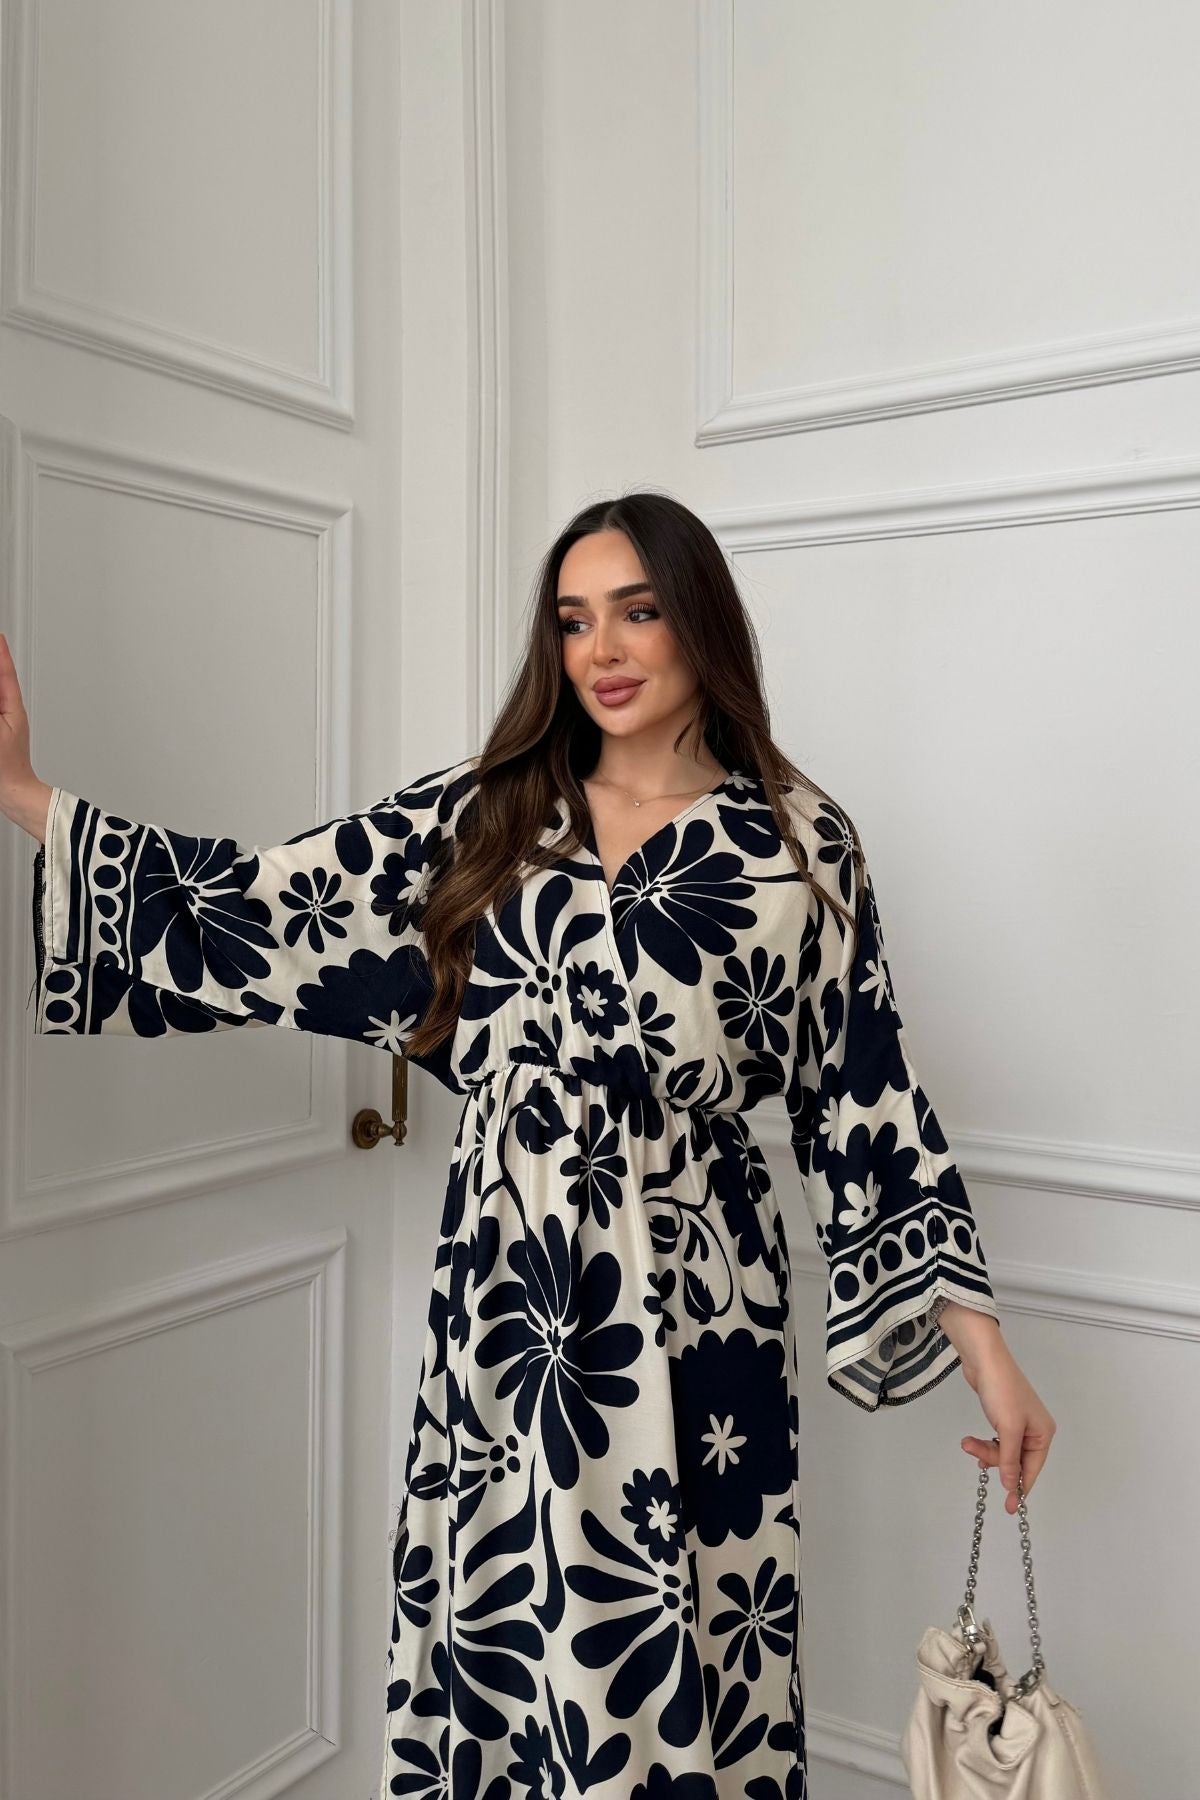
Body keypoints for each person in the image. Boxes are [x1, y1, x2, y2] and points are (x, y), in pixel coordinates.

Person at [0, 490, 1055, 1799]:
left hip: (703, 1300)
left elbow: (866, 1092)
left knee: (694, 1626)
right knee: (513, 1624)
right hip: (512, 1300)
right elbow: (270, 906)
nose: (601, 650)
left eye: (637, 611)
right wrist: (27, 795)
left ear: (699, 622)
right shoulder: (493, 813)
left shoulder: (796, 843)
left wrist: (987, 1358)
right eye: (572, 620)